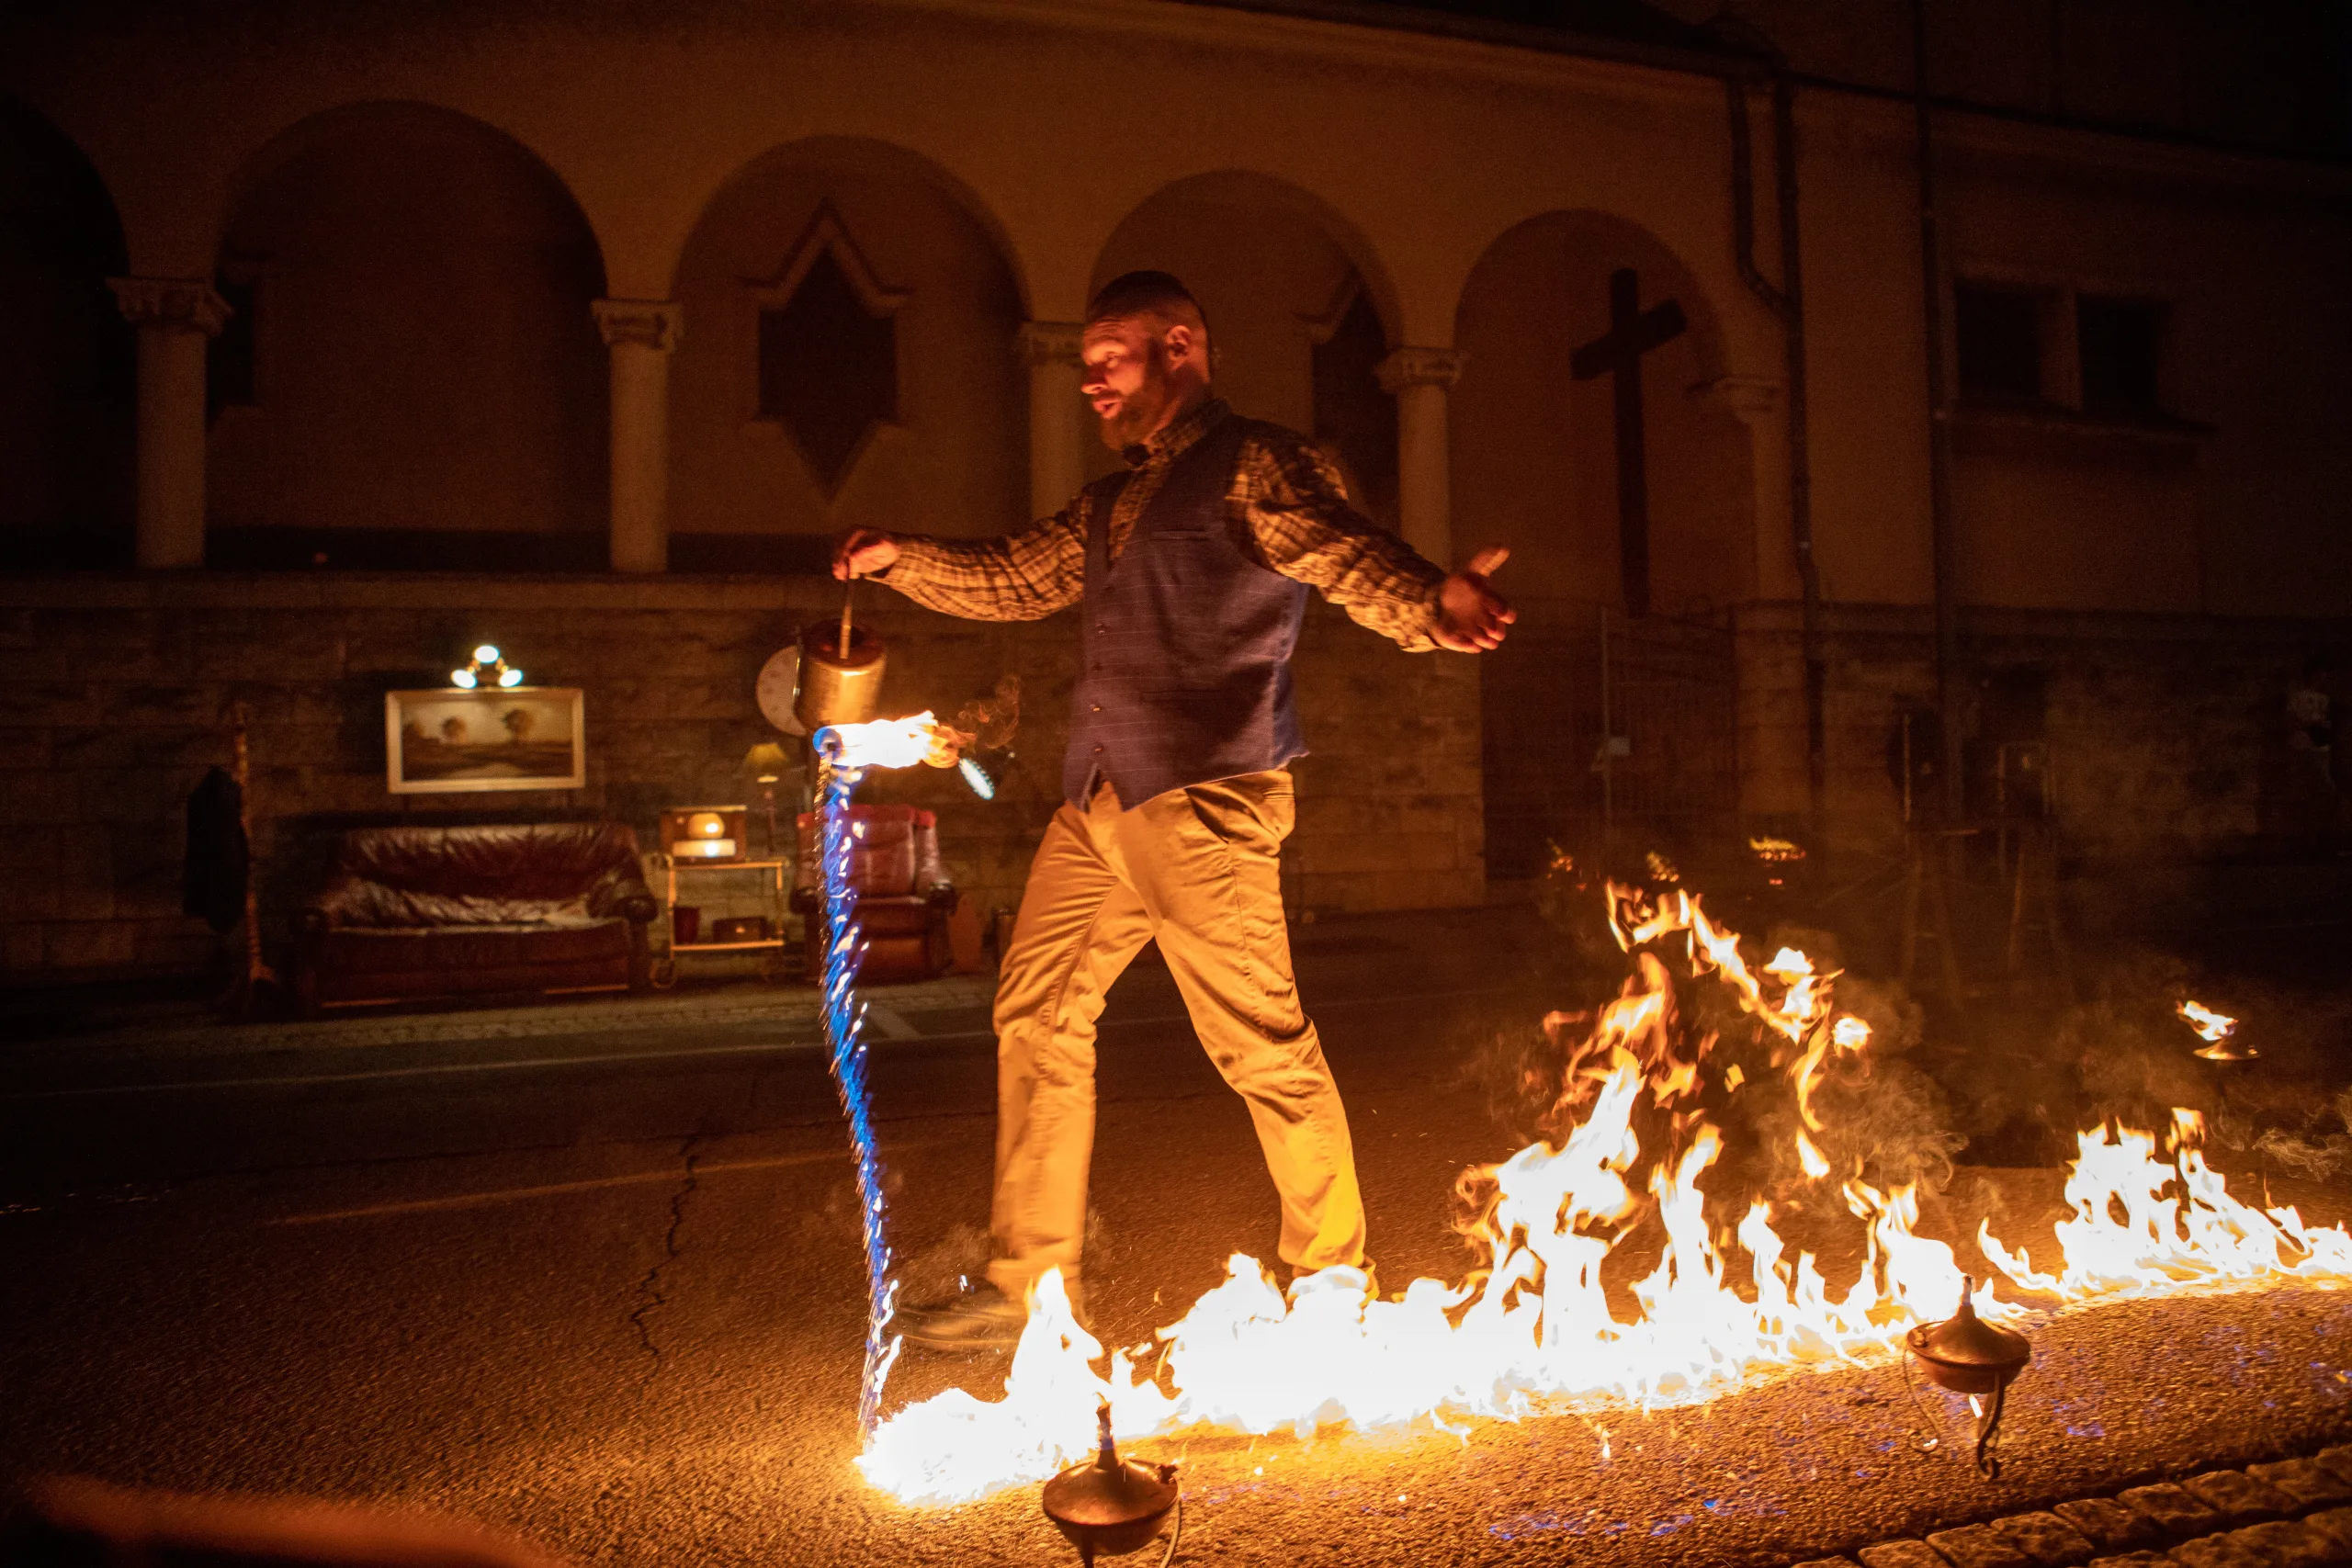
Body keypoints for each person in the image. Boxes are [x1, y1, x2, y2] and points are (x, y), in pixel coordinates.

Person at [832, 270, 1513, 1348]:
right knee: (1036, 1013)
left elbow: (1339, 550)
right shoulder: (1111, 501)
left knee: (1259, 1043)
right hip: (1099, 799)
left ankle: (1334, 1283)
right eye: (1086, 364)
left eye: (1109, 357)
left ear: (1180, 347)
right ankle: (1031, 1290)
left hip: (1206, 795)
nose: (1090, 381)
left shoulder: (1255, 463)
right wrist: (901, 561)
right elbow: (1015, 577)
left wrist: (1431, 603)